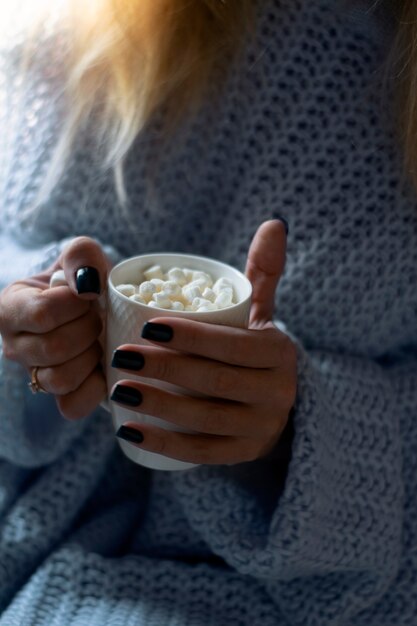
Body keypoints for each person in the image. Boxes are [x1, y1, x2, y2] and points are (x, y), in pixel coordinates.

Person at [0, 0, 416, 624]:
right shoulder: (95, 20)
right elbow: (10, 235)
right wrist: (31, 315)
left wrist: (303, 432)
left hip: (255, 594)